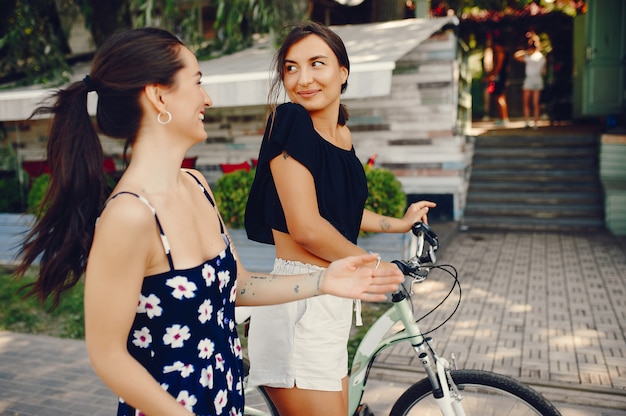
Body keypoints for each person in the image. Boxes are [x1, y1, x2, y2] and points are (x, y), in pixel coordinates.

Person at [13, 27, 403, 416]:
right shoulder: (129, 215)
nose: (208, 98)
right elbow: (107, 355)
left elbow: (240, 284)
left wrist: (325, 280)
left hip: (226, 402)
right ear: (159, 95)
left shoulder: (197, 185)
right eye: (197, 82)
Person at [243, 21, 436, 415]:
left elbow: (342, 211)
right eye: (291, 68)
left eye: (317, 64)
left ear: (342, 72)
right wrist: (376, 265)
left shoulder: (342, 135)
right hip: (299, 305)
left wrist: (399, 223)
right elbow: (308, 228)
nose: (303, 78)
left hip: (330, 303)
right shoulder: (289, 122)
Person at [514, 38, 547, 129]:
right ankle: (535, 123)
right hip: (538, 80)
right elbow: (544, 72)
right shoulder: (542, 58)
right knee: (535, 103)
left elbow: (516, 55)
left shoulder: (529, 57)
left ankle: (527, 121)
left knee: (527, 103)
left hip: (530, 80)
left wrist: (525, 52)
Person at [484, 30, 510, 126]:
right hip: (501, 77)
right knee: (499, 97)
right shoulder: (503, 53)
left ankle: (504, 119)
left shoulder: (501, 53)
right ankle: (503, 118)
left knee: (500, 98)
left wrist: (492, 76)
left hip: (501, 78)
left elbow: (499, 67)